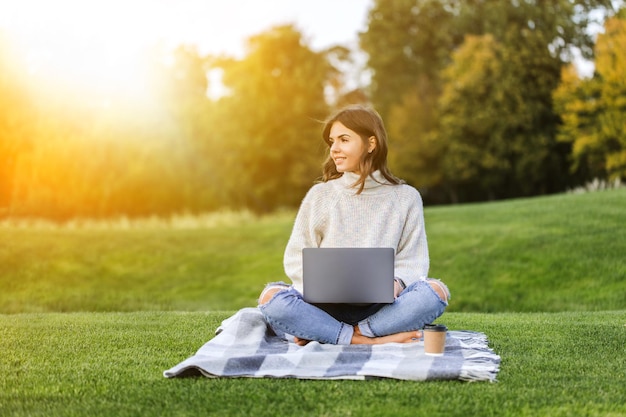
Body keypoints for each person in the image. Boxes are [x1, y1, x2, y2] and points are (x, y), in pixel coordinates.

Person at [258, 105, 450, 346]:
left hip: (381, 309)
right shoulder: (320, 195)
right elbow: (296, 257)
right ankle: (366, 340)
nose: (334, 149)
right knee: (271, 298)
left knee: (435, 292)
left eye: (344, 140)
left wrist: (397, 283)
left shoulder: (406, 197)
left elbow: (414, 260)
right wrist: (319, 289)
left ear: (371, 144)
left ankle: (339, 333)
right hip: (323, 307)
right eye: (332, 141)